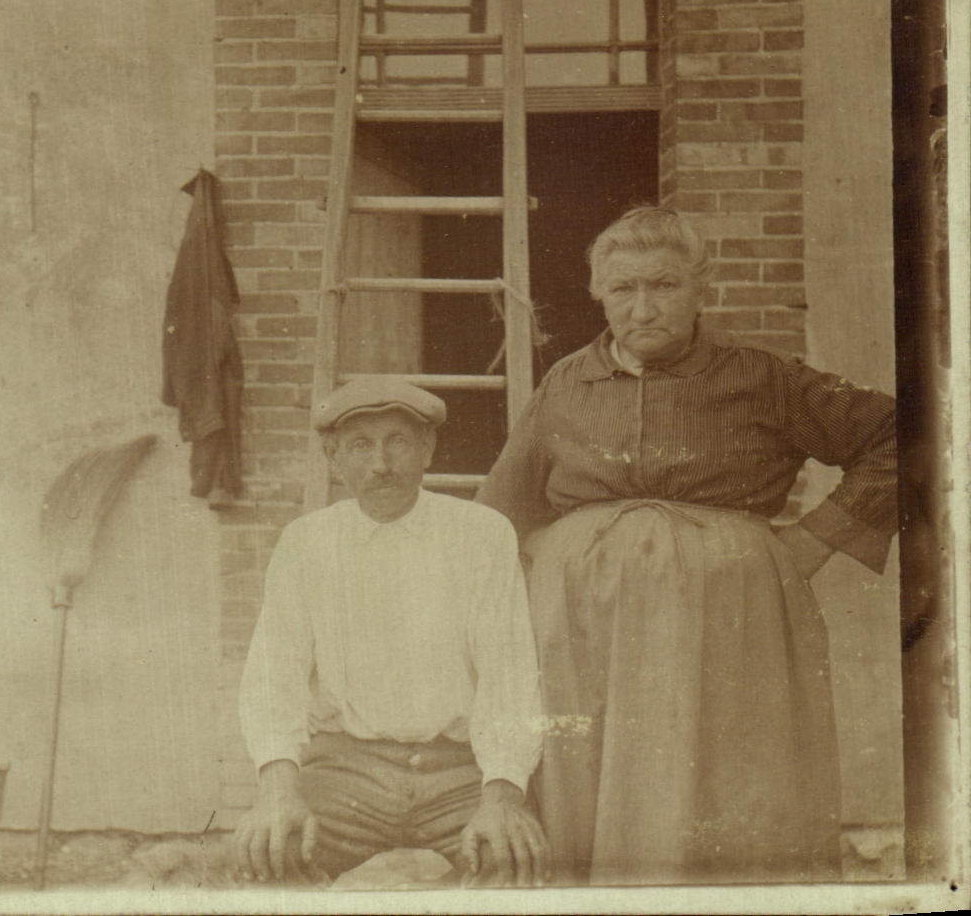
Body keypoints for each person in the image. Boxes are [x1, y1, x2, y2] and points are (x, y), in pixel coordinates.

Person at [476, 206, 898, 885]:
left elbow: (902, 435)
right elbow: (500, 510)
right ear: (598, 293)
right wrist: (550, 561)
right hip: (581, 628)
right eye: (624, 288)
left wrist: (817, 536)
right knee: (581, 776)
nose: (643, 307)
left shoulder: (762, 376)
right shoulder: (566, 383)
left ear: (703, 288)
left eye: (665, 285)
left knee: (726, 781)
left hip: (731, 618)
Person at [233, 376, 549, 886]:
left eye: (397, 441)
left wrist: (502, 796)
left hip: (460, 771)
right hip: (347, 771)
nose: (381, 463)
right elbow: (273, 679)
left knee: (513, 860)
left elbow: (508, 674)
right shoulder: (306, 543)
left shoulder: (481, 533)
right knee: (270, 855)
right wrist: (277, 791)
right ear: (334, 458)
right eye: (361, 445)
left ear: (428, 449)